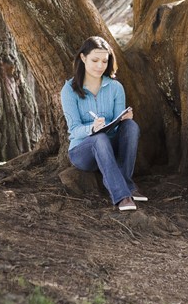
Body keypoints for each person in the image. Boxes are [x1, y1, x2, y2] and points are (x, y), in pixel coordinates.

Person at [60, 36, 147, 211]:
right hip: (83, 152)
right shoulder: (69, 89)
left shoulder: (115, 87)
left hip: (109, 147)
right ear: (83, 58)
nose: (100, 66)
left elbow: (117, 123)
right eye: (95, 60)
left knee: (131, 127)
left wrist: (123, 118)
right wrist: (91, 128)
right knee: (99, 138)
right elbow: (74, 130)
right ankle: (122, 196)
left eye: (104, 61)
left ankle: (125, 183)